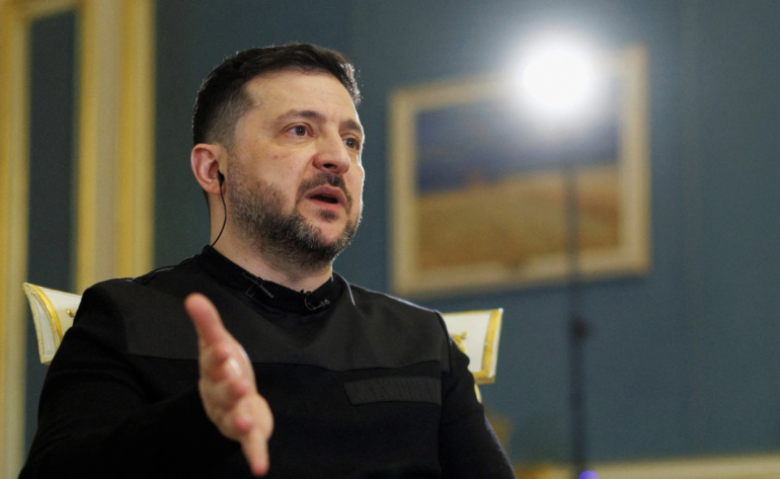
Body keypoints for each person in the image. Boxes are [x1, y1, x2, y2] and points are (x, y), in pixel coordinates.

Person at [21, 43, 515, 479]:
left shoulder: (421, 339)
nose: (338, 158)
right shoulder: (128, 317)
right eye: (300, 130)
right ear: (212, 169)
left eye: (351, 141)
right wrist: (200, 420)